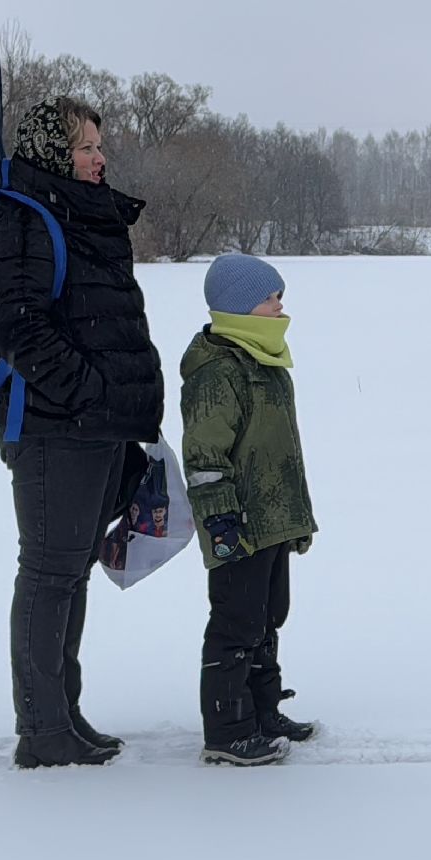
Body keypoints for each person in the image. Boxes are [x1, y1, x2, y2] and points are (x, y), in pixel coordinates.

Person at [0, 96, 165, 769]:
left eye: (97, 145)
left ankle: (65, 713)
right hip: (58, 427)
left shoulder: (78, 214)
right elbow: (21, 328)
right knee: (49, 573)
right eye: (85, 146)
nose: (99, 156)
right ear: (54, 153)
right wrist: (90, 392)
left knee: (72, 573)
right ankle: (42, 730)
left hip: (97, 425)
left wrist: (115, 404)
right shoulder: (21, 215)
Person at [181, 253, 320, 766]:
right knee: (235, 623)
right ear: (239, 308)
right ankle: (227, 728)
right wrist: (221, 522)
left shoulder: (265, 360)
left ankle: (263, 709)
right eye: (270, 298)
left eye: (279, 295)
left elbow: (280, 452)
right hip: (236, 524)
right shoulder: (219, 371)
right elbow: (206, 457)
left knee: (267, 617)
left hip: (272, 519)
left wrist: (295, 518)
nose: (281, 305)